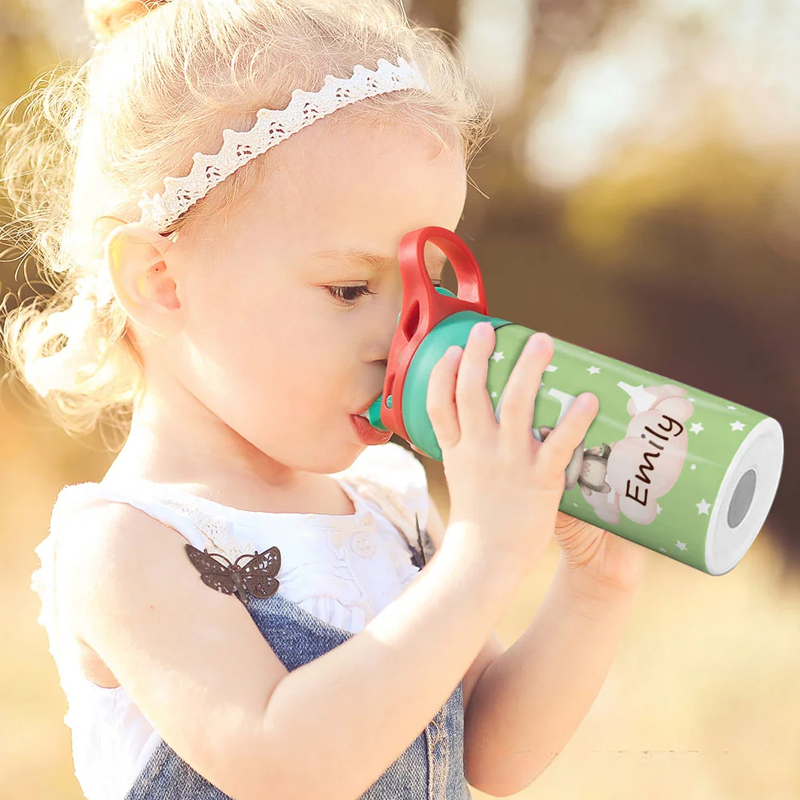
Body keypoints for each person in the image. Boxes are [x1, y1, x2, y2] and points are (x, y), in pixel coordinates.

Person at [2, 0, 646, 798]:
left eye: (426, 289)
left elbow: (488, 753)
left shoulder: (390, 508)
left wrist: (594, 589)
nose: (405, 336)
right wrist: (484, 557)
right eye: (349, 288)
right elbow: (285, 765)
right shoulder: (128, 545)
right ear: (160, 281)